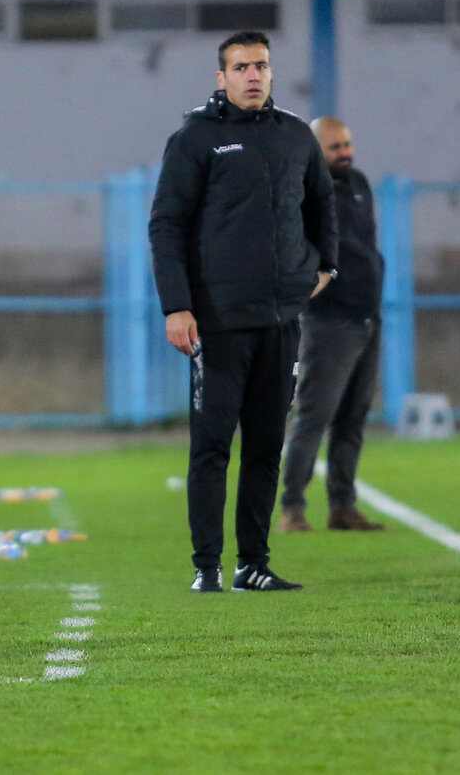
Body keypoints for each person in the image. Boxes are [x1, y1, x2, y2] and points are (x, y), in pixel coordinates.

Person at [149, 30, 338, 593]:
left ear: (271, 72)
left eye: (261, 66)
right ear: (222, 77)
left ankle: (253, 564)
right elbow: (167, 226)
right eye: (241, 67)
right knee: (211, 448)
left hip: (280, 322)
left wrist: (325, 269)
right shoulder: (195, 138)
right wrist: (177, 306)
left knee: (265, 448)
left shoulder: (295, 135)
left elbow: (322, 204)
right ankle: (206, 566)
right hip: (218, 322)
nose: (253, 75)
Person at [279, 117, 386, 533]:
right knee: (314, 415)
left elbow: (365, 244)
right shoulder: (305, 192)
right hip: (330, 321)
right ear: (315, 150)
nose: (345, 153)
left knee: (353, 418)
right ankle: (292, 508)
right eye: (335, 147)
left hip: (367, 316)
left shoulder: (358, 183)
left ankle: (342, 506)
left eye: (347, 144)